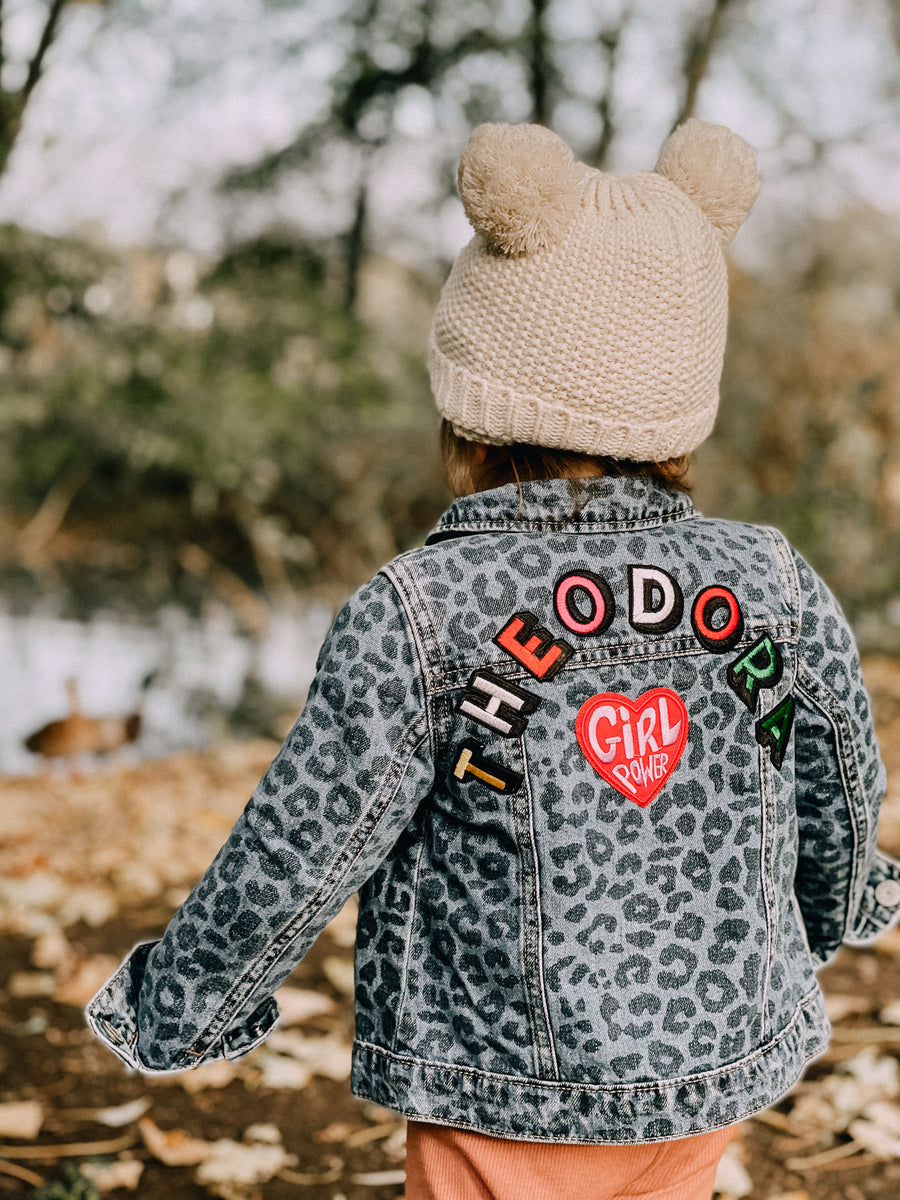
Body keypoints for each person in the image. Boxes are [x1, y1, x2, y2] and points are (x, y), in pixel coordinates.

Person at [87, 119, 900, 1200]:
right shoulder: (773, 583)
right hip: (711, 1073)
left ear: (472, 405)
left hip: (500, 1089)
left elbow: (301, 842)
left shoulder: (423, 610)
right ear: (680, 413)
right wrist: (838, 906)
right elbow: (840, 785)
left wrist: (181, 1002)